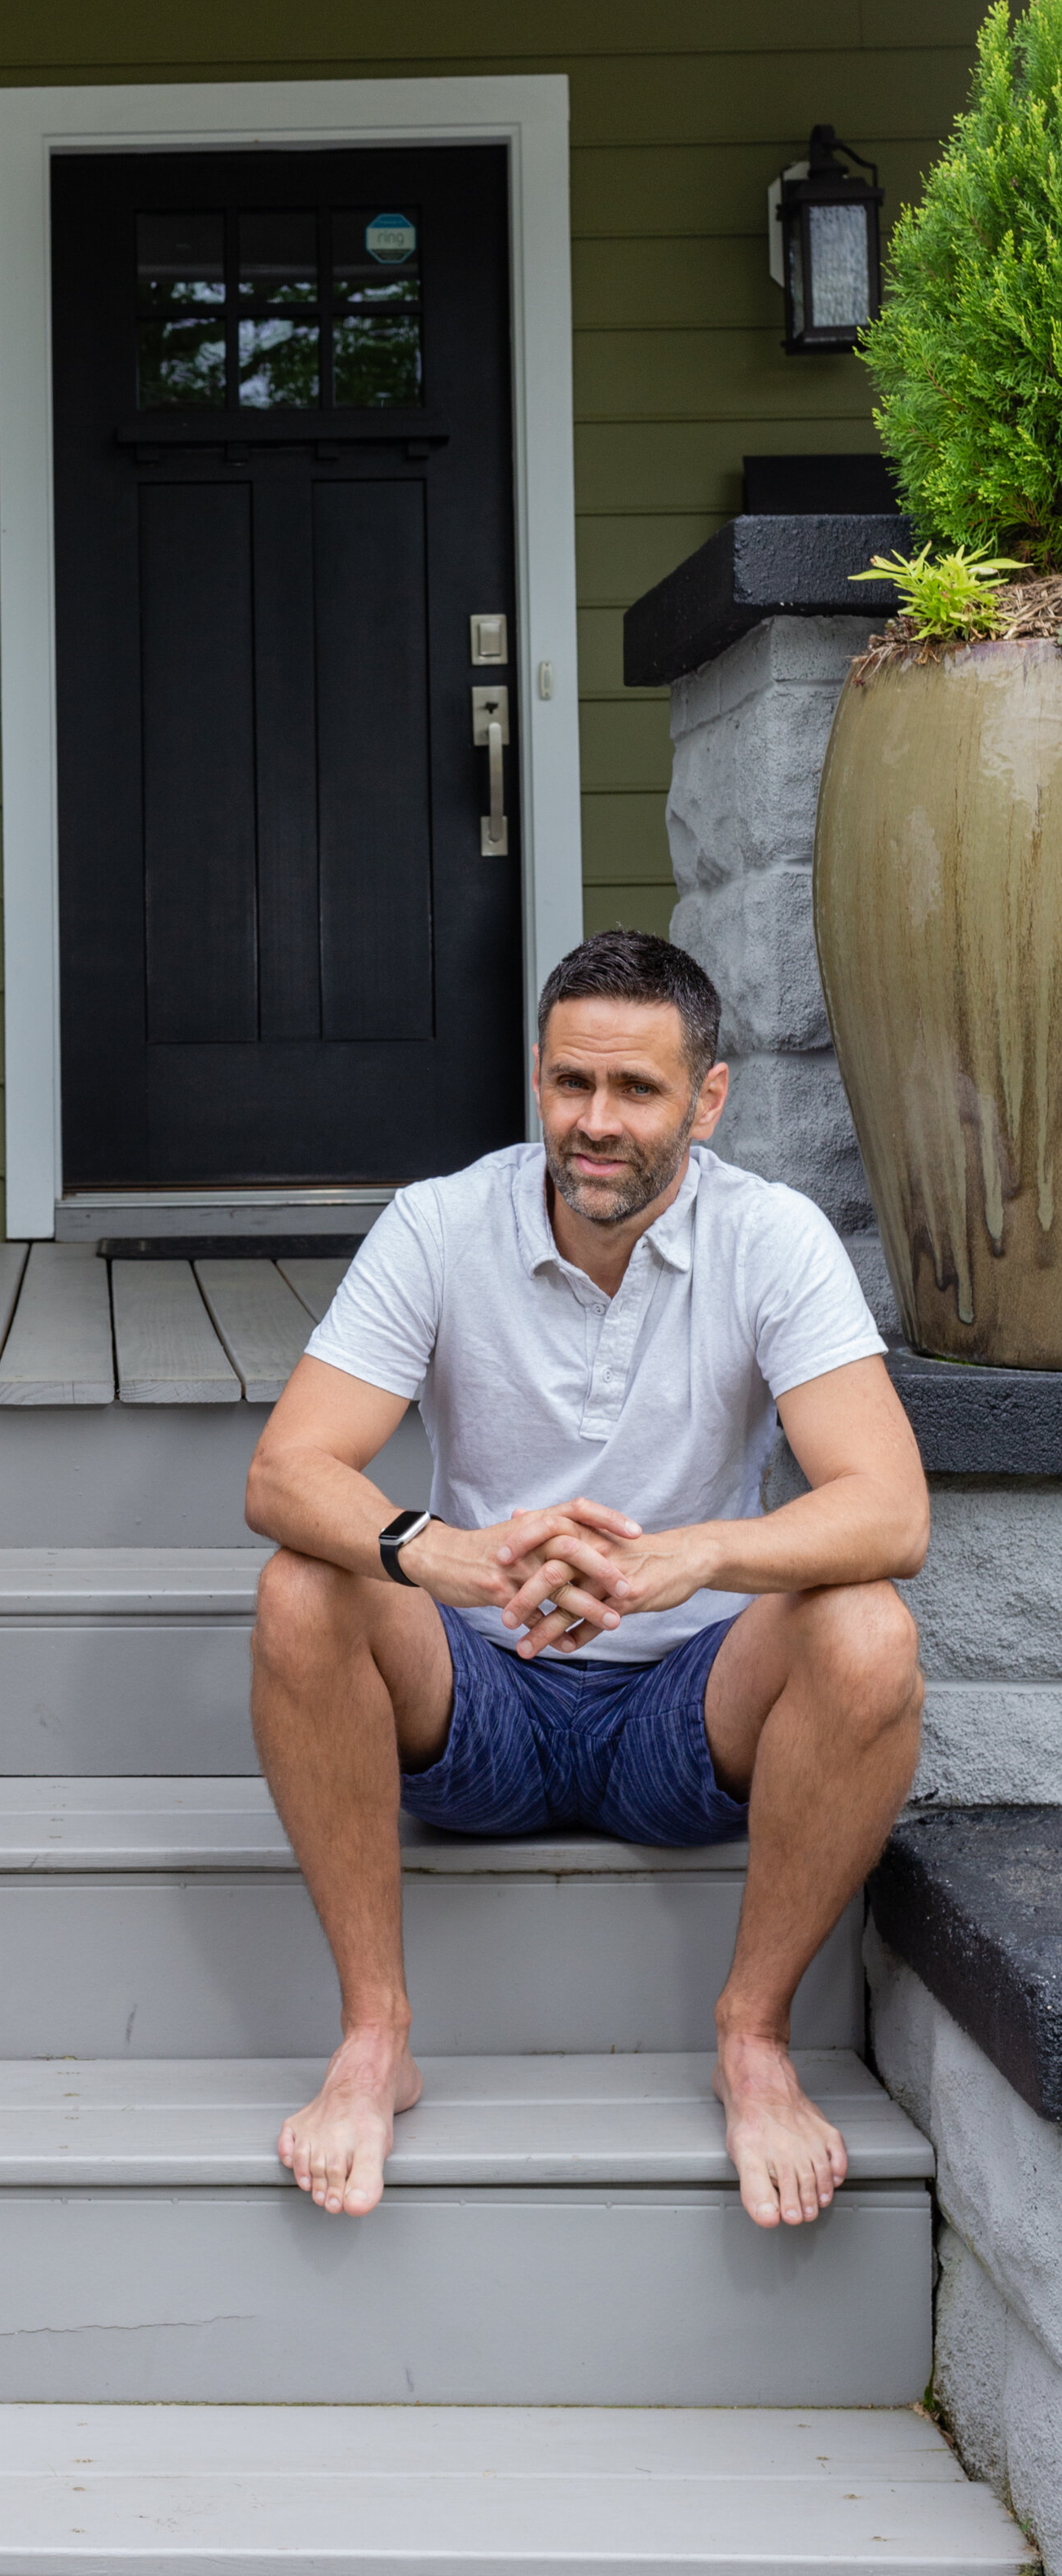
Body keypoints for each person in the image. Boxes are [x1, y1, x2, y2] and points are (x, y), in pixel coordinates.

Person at [245, 929, 927, 2235]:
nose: (594, 1124)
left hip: (689, 1708)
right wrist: (437, 1549)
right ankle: (377, 2036)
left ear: (708, 1099)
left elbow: (891, 1510)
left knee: (867, 1630)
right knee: (305, 1583)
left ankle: (753, 2035)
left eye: (637, 1091)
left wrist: (692, 1557)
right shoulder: (442, 1221)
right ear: (538, 1079)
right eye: (571, 1084)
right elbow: (285, 1471)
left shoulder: (771, 1237)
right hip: (482, 1684)